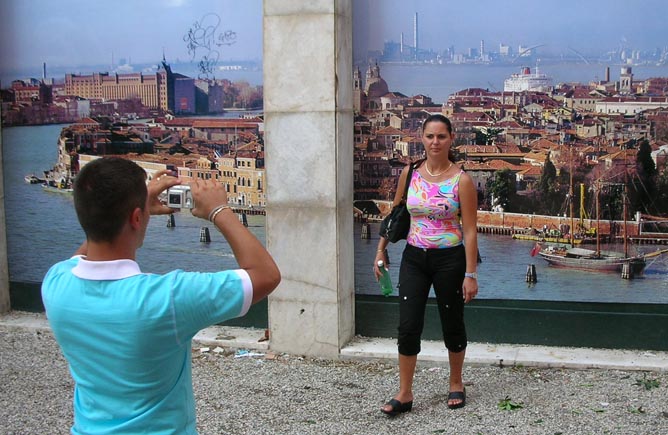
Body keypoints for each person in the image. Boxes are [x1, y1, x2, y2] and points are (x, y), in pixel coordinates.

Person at [41, 157, 281, 434]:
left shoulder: (56, 283)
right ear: (136, 218)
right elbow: (266, 275)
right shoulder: (168, 299)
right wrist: (219, 210)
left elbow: (87, 249)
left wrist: (134, 209)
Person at [374, 114, 479, 416]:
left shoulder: (463, 180)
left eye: (441, 137)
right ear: (421, 138)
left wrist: (470, 274)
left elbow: (470, 229)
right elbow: (395, 214)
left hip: (450, 258)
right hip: (414, 257)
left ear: (451, 139)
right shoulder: (410, 174)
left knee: (452, 321)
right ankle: (405, 392)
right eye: (430, 136)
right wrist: (380, 251)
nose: (435, 142)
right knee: (408, 325)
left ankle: (456, 382)